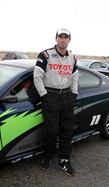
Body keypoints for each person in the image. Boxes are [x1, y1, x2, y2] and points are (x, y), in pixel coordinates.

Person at [33, 28, 78, 176]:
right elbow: (37, 76)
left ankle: (64, 160)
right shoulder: (45, 55)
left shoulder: (73, 58)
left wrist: (74, 94)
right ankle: (48, 157)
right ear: (56, 38)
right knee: (52, 132)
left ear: (69, 40)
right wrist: (44, 96)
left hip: (66, 96)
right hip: (50, 96)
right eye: (60, 36)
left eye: (66, 37)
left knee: (67, 130)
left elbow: (75, 77)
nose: (63, 39)